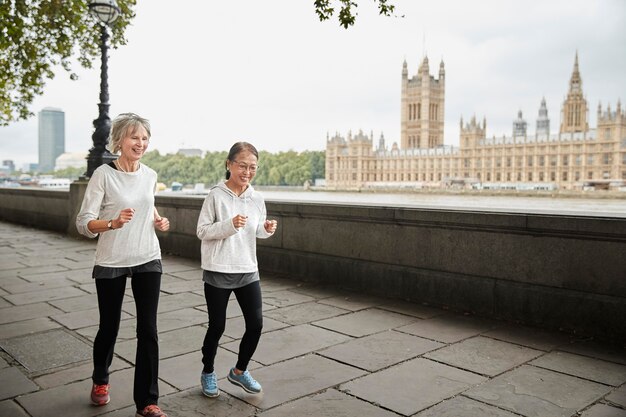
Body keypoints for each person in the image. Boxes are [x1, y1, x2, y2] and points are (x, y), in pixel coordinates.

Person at [76, 113, 170, 417]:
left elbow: (146, 203)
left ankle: (147, 402)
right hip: (112, 260)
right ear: (119, 140)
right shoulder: (103, 174)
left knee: (148, 329)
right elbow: (83, 223)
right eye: (134, 137)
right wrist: (112, 223)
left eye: (144, 138)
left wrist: (157, 219)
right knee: (110, 326)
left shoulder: (151, 174)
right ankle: (101, 378)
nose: (140, 143)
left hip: (147, 256)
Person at [197, 141, 277, 398]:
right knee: (217, 326)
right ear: (229, 164)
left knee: (256, 324)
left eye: (252, 167)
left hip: (247, 269)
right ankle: (208, 371)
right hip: (218, 270)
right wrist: (229, 225)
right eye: (242, 165)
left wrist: (265, 230)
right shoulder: (215, 196)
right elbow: (202, 231)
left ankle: (239, 371)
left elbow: (255, 232)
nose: (247, 172)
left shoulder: (257, 198)